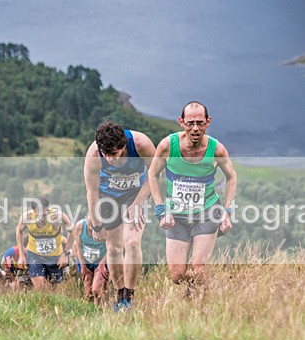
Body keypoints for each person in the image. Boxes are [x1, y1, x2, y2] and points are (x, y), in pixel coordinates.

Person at [147, 101, 237, 297]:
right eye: (190, 123)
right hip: (177, 215)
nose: (195, 128)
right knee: (177, 276)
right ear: (181, 122)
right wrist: (160, 209)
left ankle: (197, 303)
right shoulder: (167, 146)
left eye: (200, 122)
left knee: (199, 270)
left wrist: (228, 211)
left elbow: (231, 177)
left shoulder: (217, 149)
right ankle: (194, 290)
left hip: (207, 212)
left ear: (208, 122)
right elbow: (153, 174)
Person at [84, 120, 156, 311]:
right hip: (108, 197)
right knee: (114, 248)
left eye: (114, 154)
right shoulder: (94, 154)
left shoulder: (140, 144)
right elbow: (91, 192)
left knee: (132, 242)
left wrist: (137, 204)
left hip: (136, 193)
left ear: (123, 146)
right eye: (106, 155)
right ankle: (119, 297)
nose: (110, 160)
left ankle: (129, 298)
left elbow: (156, 174)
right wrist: (97, 224)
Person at [15, 196, 72, 291]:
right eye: (38, 215)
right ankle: (39, 305)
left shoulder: (58, 216)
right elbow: (19, 231)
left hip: (55, 256)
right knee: (40, 287)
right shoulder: (27, 217)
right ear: (33, 211)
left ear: (48, 209)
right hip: (34, 255)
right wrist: (21, 255)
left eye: (44, 215)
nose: (41, 218)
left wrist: (65, 254)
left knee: (55, 290)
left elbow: (73, 231)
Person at [66, 217, 110, 303]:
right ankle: (91, 312)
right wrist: (83, 266)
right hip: (85, 260)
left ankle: (102, 309)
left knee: (96, 290)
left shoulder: (105, 228)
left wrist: (102, 265)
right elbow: (78, 247)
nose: (91, 228)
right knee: (88, 293)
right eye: (89, 226)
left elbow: (110, 248)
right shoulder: (80, 226)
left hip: (101, 260)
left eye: (94, 227)